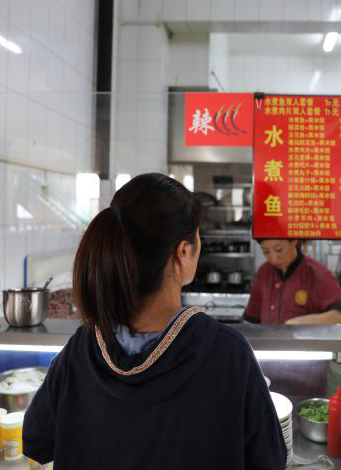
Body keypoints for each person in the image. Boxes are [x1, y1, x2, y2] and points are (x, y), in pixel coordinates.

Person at [23, 174, 286, 470]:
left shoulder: (82, 347)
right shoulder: (228, 352)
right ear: (183, 252)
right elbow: (270, 461)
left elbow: (36, 440)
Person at [244, 239, 341, 325]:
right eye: (266, 251)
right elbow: (252, 319)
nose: (274, 259)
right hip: (269, 344)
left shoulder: (317, 273)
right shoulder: (264, 272)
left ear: (294, 240)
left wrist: (303, 322)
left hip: (305, 344)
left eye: (279, 249)